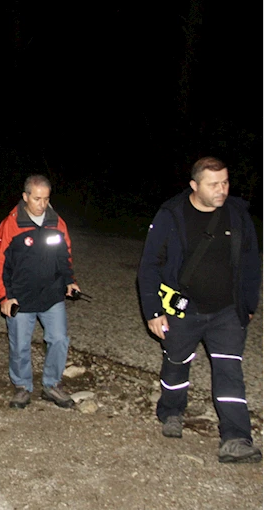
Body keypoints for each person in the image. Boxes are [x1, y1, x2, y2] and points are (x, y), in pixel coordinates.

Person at [137, 156, 261, 463]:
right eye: (213, 184)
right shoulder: (171, 215)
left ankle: (236, 438)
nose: (222, 190)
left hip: (227, 312)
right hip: (182, 310)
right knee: (177, 363)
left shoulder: (236, 214)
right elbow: (149, 266)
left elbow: (250, 262)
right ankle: (171, 412)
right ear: (194, 185)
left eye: (225, 182)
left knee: (229, 370)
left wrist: (248, 304)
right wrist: (153, 311)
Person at [0, 175, 80, 409]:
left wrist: (70, 281)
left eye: (46, 199)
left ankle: (52, 385)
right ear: (25, 197)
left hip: (51, 294)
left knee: (59, 339)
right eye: (37, 199)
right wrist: (4, 295)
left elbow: (64, 256)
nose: (42, 204)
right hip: (20, 296)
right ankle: (22, 387)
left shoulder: (56, 222)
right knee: (20, 343)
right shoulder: (11, 224)